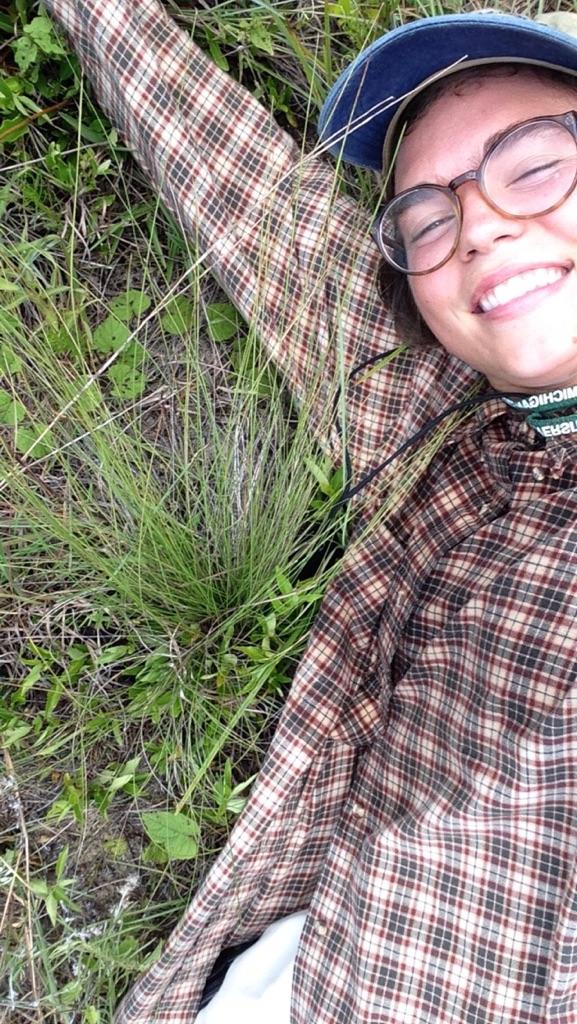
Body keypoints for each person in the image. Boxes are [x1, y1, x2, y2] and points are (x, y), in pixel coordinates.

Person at [44, 2, 577, 1021]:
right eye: (425, 218)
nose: (476, 225)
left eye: (535, 164)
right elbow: (245, 199)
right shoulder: (437, 422)